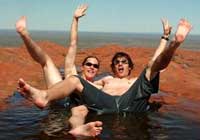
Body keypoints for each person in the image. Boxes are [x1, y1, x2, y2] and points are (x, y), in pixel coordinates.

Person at [18, 18, 191, 134]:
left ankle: (176, 43)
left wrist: (166, 37)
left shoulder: (136, 82)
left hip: (131, 102)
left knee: (151, 68)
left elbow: (154, 62)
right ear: (113, 67)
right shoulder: (106, 79)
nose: (120, 64)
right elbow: (85, 86)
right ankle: (46, 97)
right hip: (106, 103)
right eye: (117, 62)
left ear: (130, 67)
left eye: (124, 62)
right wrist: (76, 81)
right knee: (75, 85)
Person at [16, 4, 103, 137]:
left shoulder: (97, 86)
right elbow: (73, 43)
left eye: (95, 66)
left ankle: (78, 129)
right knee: (47, 61)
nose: (92, 67)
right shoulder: (73, 75)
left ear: (97, 71)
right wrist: (75, 19)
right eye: (89, 64)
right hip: (60, 99)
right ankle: (24, 34)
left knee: (79, 111)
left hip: (74, 109)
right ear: (83, 66)